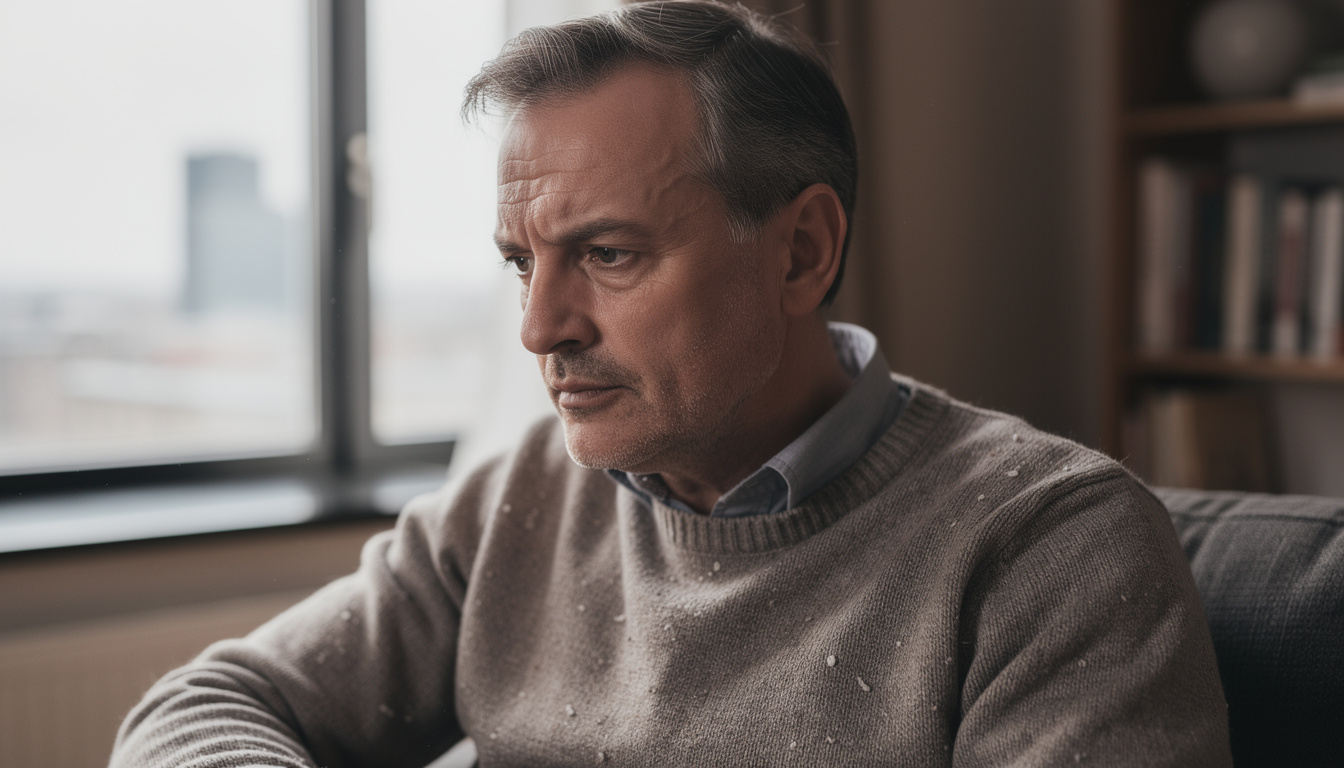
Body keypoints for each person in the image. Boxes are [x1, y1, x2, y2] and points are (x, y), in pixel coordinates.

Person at [111, 2, 1233, 766]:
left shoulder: (1055, 552)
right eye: (521, 263)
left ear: (801, 252)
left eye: (608, 255)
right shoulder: (518, 501)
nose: (540, 328)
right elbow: (203, 705)